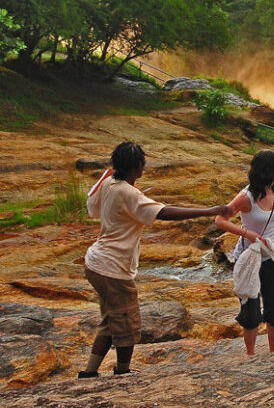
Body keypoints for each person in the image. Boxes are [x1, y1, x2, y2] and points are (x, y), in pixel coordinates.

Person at [80, 142, 229, 378]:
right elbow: (163, 213)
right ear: (138, 166)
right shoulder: (127, 192)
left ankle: (89, 373)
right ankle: (122, 372)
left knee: (110, 320)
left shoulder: (109, 183)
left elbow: (92, 209)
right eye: (142, 165)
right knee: (128, 324)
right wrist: (210, 210)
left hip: (96, 263)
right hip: (113, 268)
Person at [214, 150, 274, 355]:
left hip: (272, 257)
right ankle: (251, 356)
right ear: (268, 169)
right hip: (249, 259)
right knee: (251, 312)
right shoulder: (246, 196)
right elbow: (220, 220)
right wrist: (247, 233)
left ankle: (273, 354)